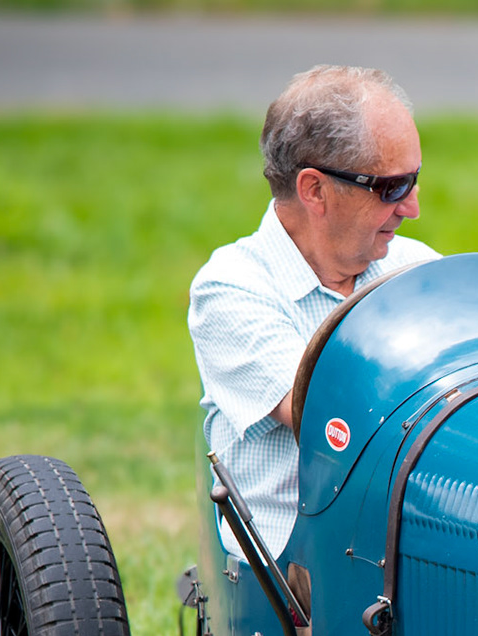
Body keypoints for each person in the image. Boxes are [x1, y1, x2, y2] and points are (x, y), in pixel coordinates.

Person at [188, 65, 438, 559]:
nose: (411, 208)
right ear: (315, 190)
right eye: (392, 187)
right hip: (298, 568)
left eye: (414, 181)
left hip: (408, 539)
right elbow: (328, 418)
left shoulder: (419, 269)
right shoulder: (231, 288)